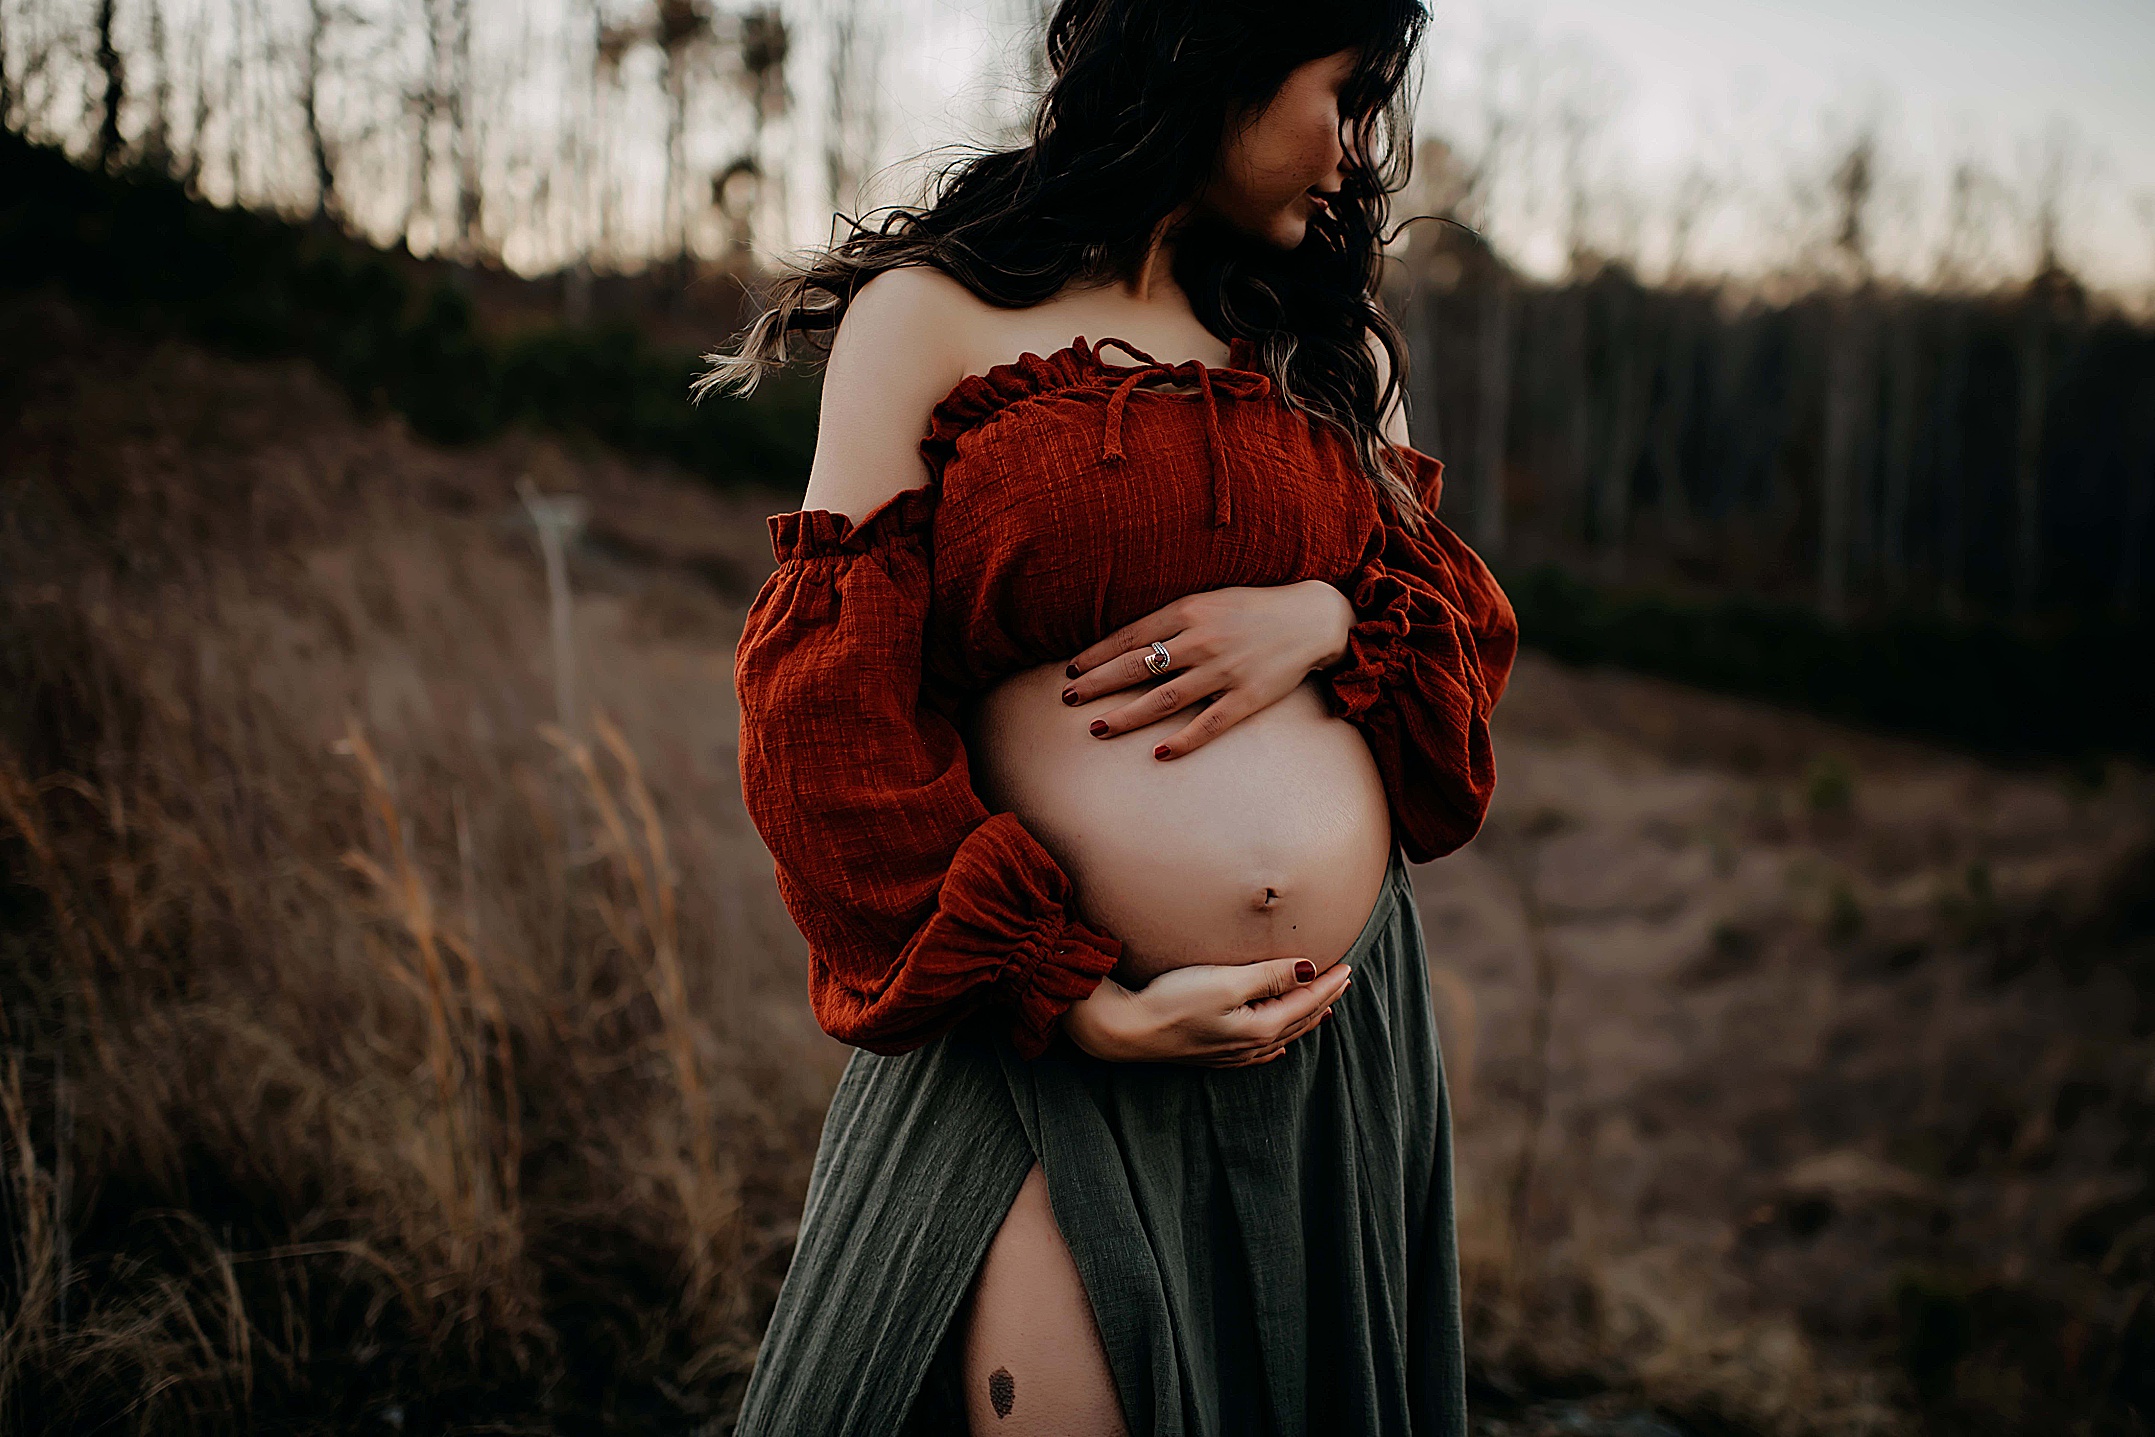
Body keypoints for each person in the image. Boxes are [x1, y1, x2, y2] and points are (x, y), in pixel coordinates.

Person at [700, 2, 1517, 1431]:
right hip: (1041, 1052)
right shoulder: (935, 314)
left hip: (1330, 1060)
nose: (1361, 146)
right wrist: (1074, 997)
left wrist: (1325, 614)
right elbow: (824, 719)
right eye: (1345, 92)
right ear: (1213, 55)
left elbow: (1452, 653)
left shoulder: (1328, 346)